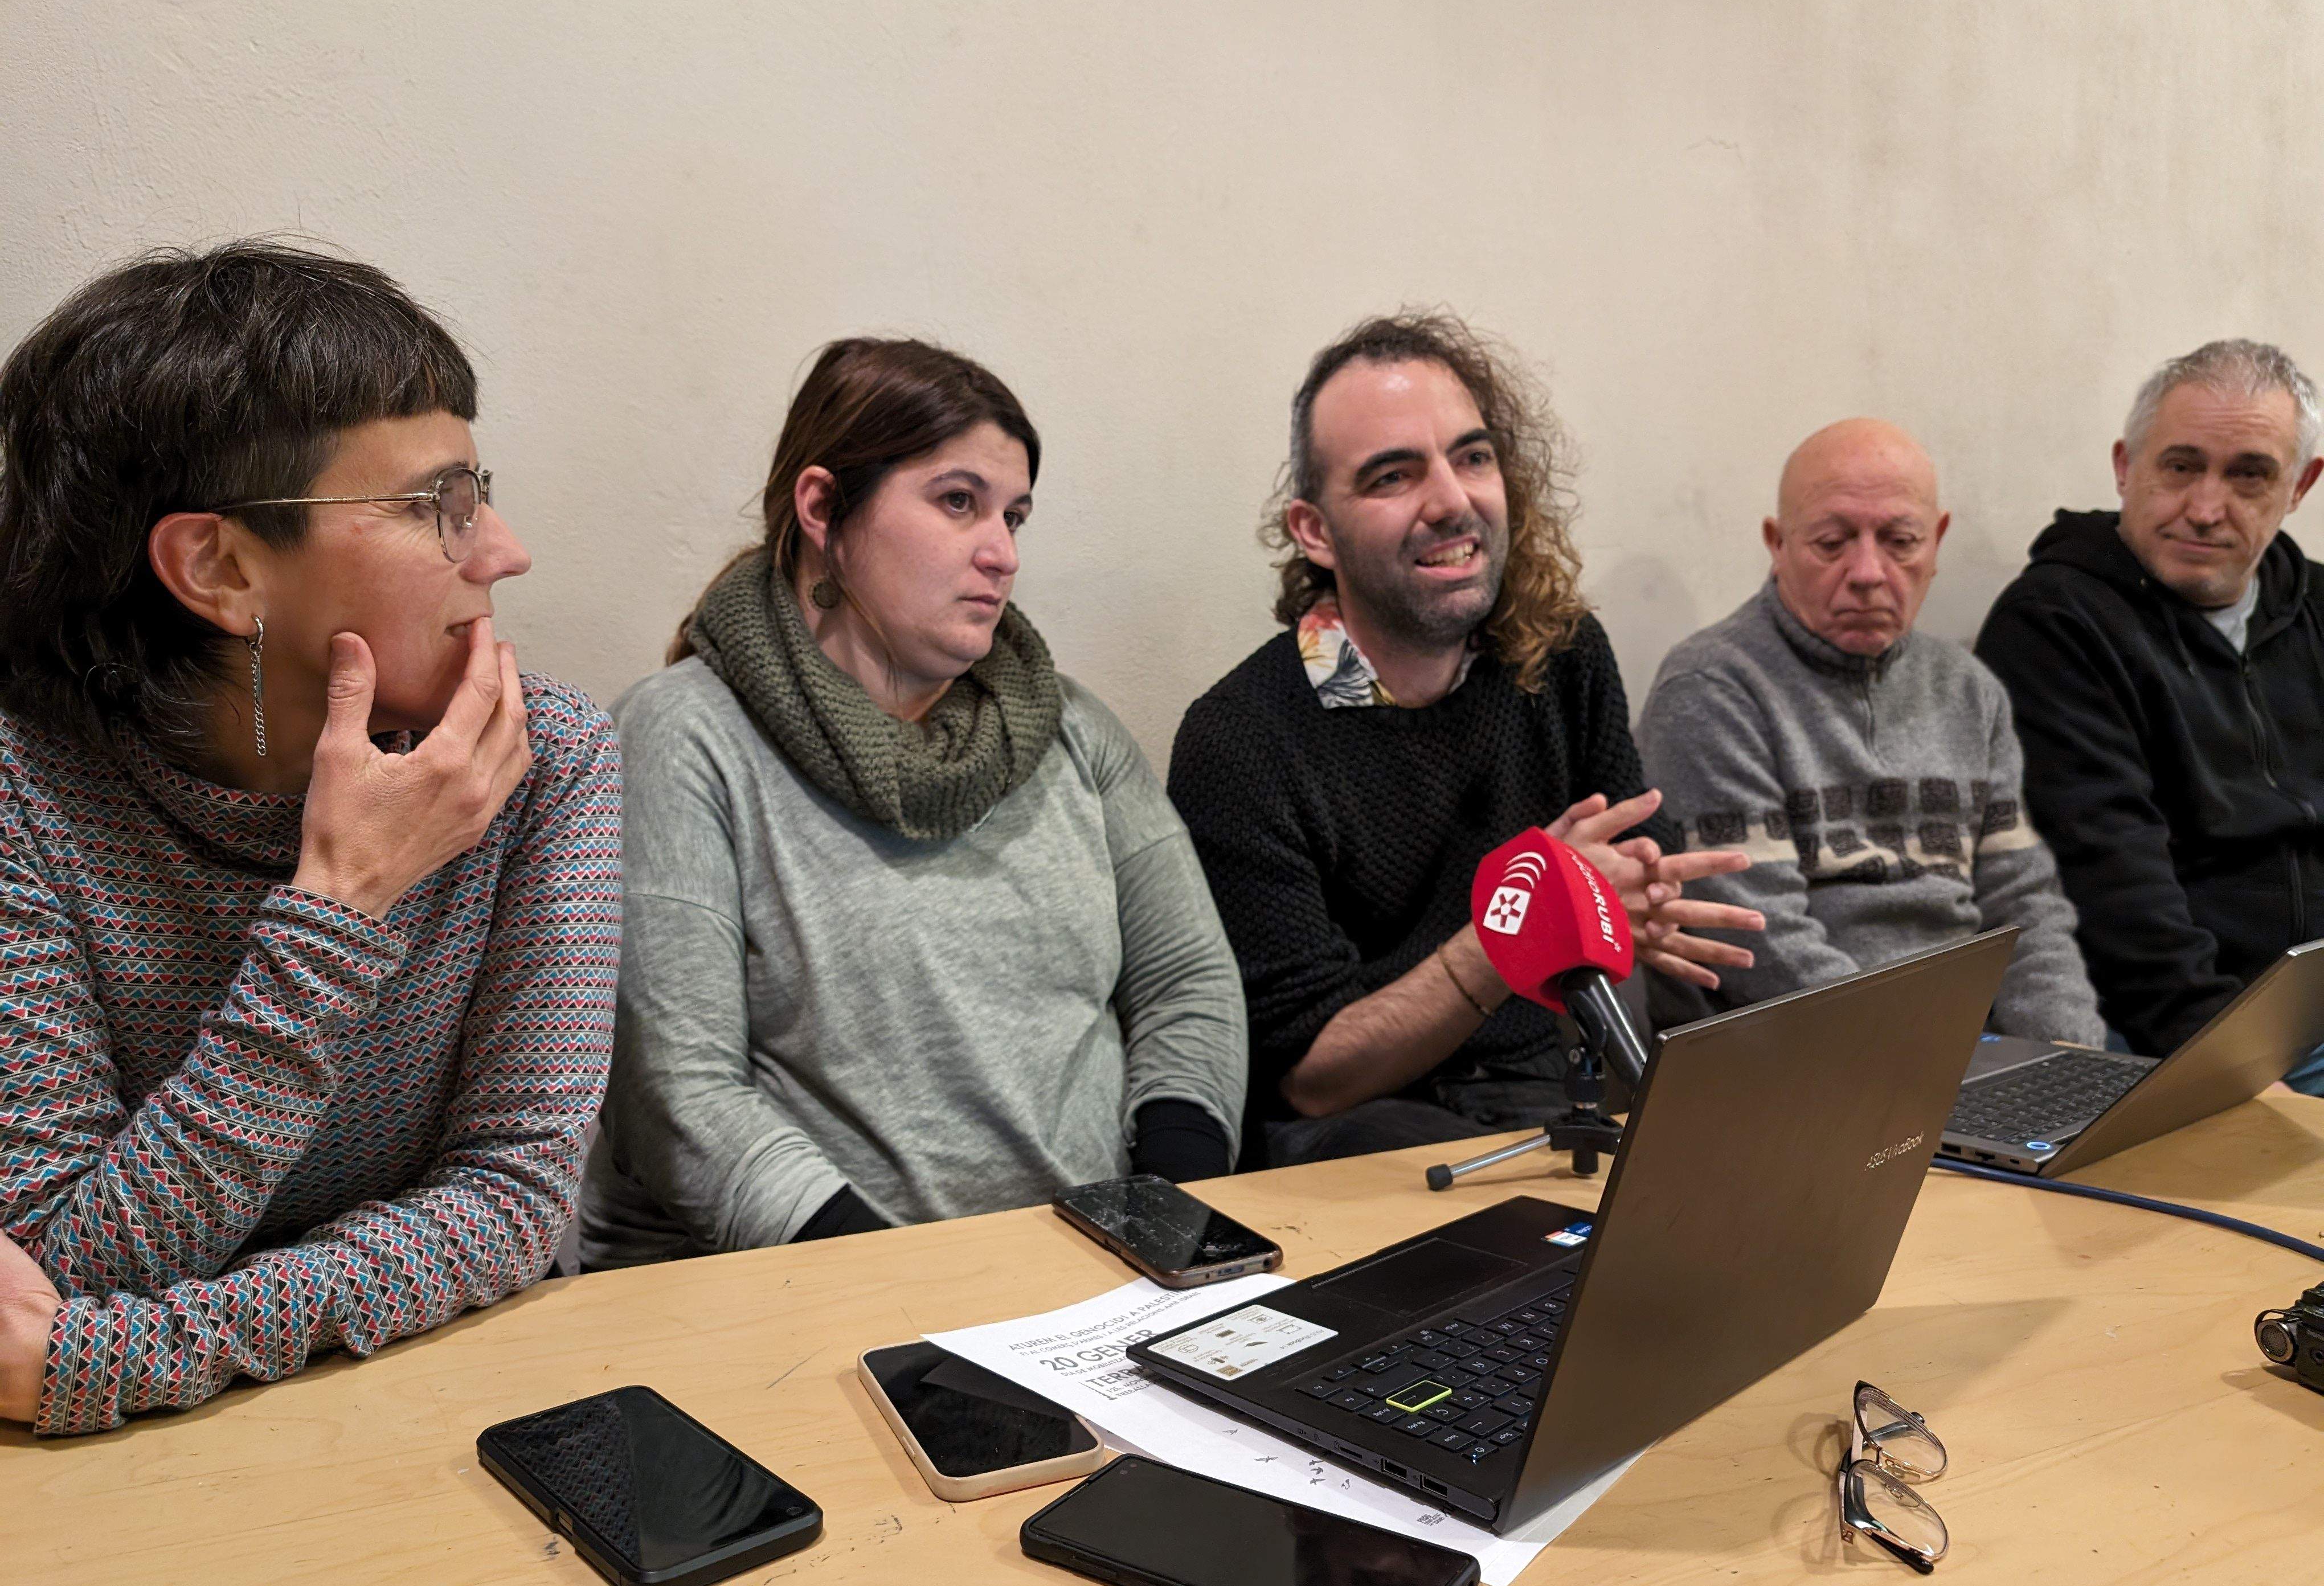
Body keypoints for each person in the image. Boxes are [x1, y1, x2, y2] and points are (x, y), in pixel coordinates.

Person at [0, 243, 621, 1435]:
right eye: (435, 504)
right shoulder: (28, 793)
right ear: (221, 567)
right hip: (136, 1475)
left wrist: (116, 1358)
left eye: (477, 488)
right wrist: (338, 910)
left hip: (472, 1407)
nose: (502, 550)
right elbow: (61, 1267)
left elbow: (516, 1200)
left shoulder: (544, 758)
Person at [578, 339, 1244, 1268]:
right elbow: (678, 1097)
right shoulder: (683, 736)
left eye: (1015, 516)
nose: (1002, 553)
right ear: (823, 509)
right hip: (787, 1296)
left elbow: (1189, 984)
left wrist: (1169, 1217)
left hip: (1084, 1279)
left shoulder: (1072, 729)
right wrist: (896, 1286)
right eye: (957, 502)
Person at [1168, 311, 1761, 1167]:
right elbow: (1311, 1077)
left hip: (1557, 1088)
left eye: (1473, 457)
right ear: (1314, 531)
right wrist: (1510, 935)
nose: (1452, 500)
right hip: (1370, 1129)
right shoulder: (1244, 739)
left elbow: (1628, 857)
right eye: (1392, 476)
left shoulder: (1561, 656)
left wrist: (1642, 892)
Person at [1634, 419, 2103, 1040]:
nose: (1867, 572)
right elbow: (1760, 942)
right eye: (1831, 543)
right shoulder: (1712, 690)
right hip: (1796, 1058)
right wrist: (1918, 1068)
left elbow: (2026, 907)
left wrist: (2064, 1061)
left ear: (1937, 541)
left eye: (1900, 541)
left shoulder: (1968, 689)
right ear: (1777, 543)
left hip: (1965, 1049)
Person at [1977, 340, 2324, 1088]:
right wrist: (2242, 1079)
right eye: (2180, 466)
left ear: (2302, 485)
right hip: (2180, 1040)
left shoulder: (2317, 609)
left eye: (2248, 475)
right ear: (2125, 466)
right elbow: (2113, 890)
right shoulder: (2055, 625)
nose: (2204, 508)